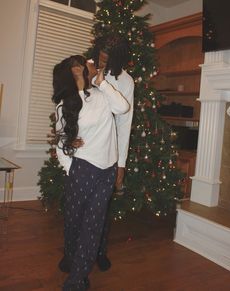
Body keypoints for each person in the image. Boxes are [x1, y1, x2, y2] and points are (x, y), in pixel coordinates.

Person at [53, 55, 130, 291]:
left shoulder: (103, 95)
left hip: (106, 170)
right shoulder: (65, 104)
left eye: (81, 64)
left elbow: (124, 107)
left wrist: (101, 82)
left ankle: (77, 279)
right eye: (74, 65)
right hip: (82, 168)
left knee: (93, 225)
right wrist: (70, 168)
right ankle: (70, 257)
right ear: (68, 73)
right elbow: (60, 139)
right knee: (74, 221)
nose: (79, 67)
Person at [91, 35, 134, 271]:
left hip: (108, 153)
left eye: (107, 60)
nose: (101, 62)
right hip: (86, 149)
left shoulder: (126, 81)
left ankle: (100, 251)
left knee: (103, 209)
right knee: (78, 206)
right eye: (100, 56)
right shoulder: (86, 68)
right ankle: (72, 251)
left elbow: (124, 123)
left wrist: (121, 164)